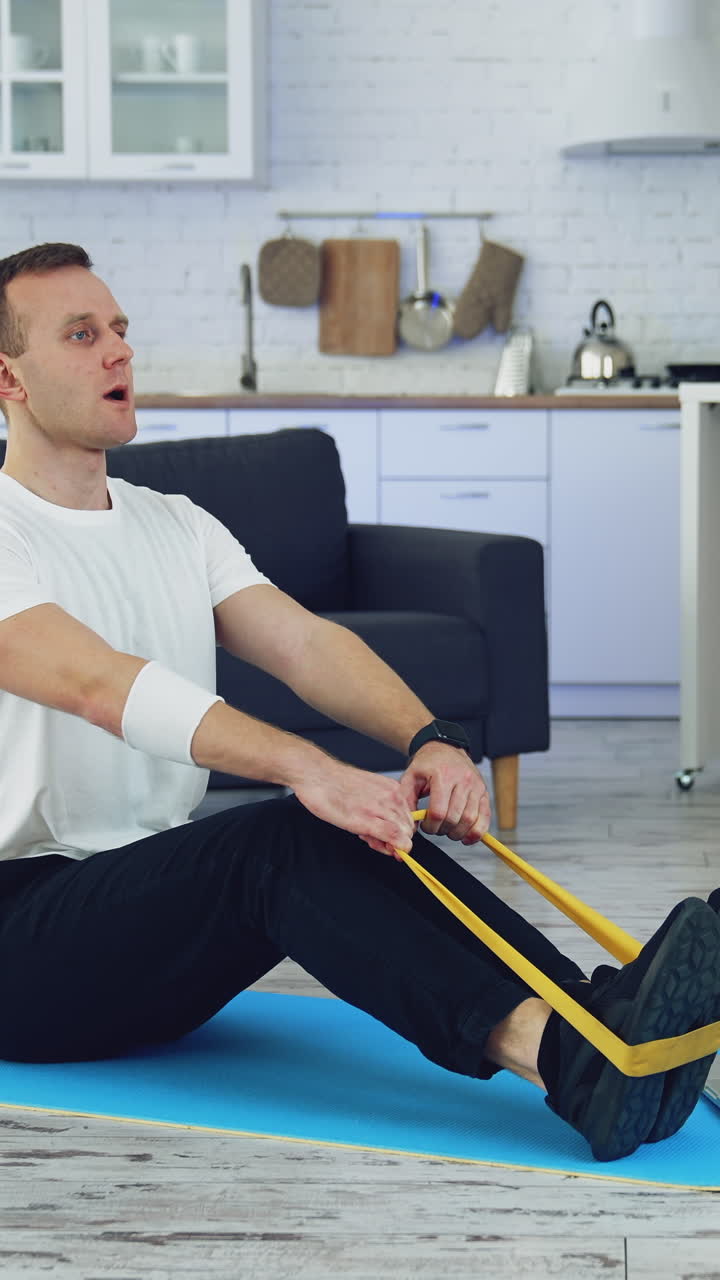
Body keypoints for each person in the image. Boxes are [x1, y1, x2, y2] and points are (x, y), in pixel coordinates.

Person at [0, 242, 717, 1165]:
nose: (119, 352)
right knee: (288, 828)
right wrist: (311, 767)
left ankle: (598, 1021)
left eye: (122, 329)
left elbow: (306, 644)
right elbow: (100, 684)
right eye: (82, 334)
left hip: (146, 919)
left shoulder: (173, 523)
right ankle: (572, 1063)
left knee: (355, 826)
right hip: (24, 945)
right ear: (9, 379)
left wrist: (432, 738)